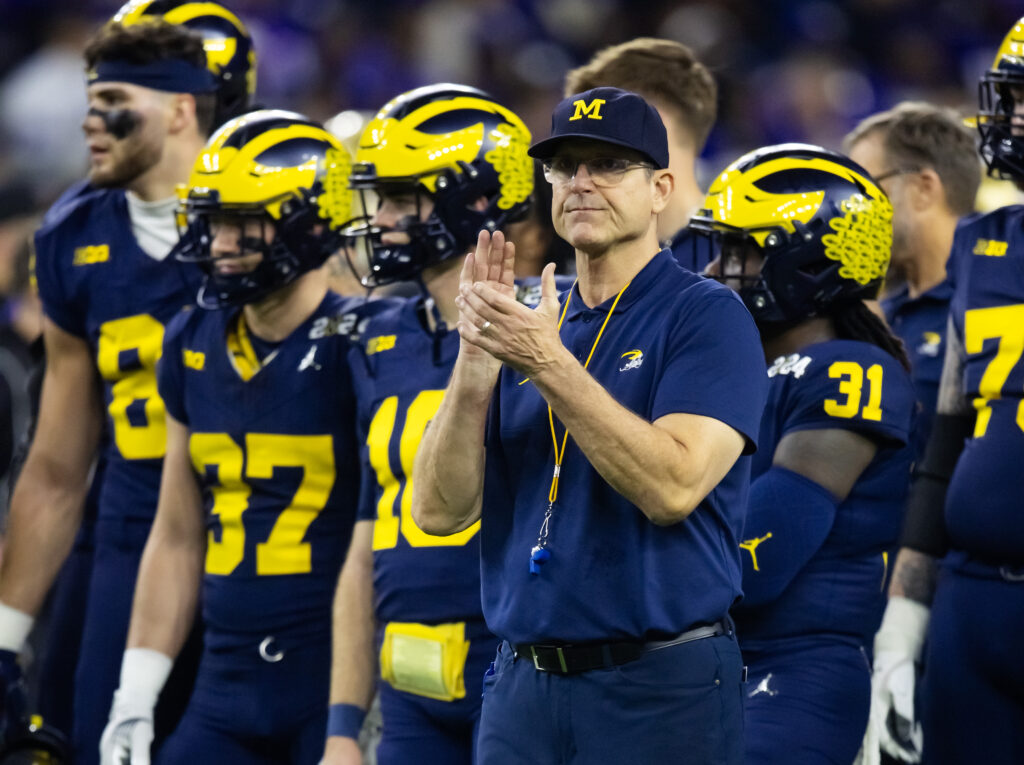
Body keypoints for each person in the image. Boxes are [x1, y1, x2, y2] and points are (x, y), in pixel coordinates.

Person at [410, 86, 767, 764]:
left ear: (661, 187)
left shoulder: (706, 314)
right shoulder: (529, 324)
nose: (580, 182)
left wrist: (548, 363)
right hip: (522, 683)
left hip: (657, 684)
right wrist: (475, 365)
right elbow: (437, 509)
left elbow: (673, 485)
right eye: (564, 165)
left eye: (607, 164)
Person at [0, 10, 255, 763]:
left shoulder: (266, 215)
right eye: (89, 101)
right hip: (134, 518)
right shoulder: (72, 235)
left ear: (183, 109)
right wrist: (5, 637)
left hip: (269, 530)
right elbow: (55, 464)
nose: (92, 123)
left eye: (114, 101)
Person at [100, 109, 369, 765]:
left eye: (242, 219)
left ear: (310, 220)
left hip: (329, 683)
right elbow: (177, 531)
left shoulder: (367, 343)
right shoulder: (191, 338)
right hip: (224, 684)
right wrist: (134, 695)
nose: (218, 241)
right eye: (212, 218)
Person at [323, 84, 541, 765]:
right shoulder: (375, 334)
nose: (381, 219)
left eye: (400, 198)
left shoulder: (551, 330)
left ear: (473, 200)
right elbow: (367, 541)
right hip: (406, 679)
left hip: (517, 667)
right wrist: (340, 724)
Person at [691, 143, 916, 764]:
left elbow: (759, 560)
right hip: (709, 661)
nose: (717, 269)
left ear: (812, 261)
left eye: (744, 250)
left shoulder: (849, 370)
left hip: (794, 666)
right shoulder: (738, 368)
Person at [861, 16, 1024, 765]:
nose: (1011, 117)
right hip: (971, 598)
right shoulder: (984, 244)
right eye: (1011, 97)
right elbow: (950, 442)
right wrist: (903, 625)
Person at [844, 102, 981, 452]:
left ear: (923, 188)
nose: (852, 212)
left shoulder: (991, 301)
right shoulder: (880, 311)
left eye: (866, 190)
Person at [563, 38, 717, 273]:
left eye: (600, 133)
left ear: (656, 126)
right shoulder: (578, 255)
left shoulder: (738, 259)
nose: (580, 179)